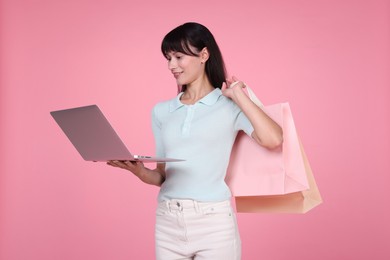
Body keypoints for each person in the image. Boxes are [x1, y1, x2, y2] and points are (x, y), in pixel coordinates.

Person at [107, 22, 283, 260]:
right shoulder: (161, 111)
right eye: (168, 58)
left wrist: (240, 97)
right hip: (168, 221)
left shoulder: (229, 105)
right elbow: (162, 176)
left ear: (204, 54)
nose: (171, 65)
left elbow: (273, 139)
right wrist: (138, 171)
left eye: (178, 56)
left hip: (213, 223)